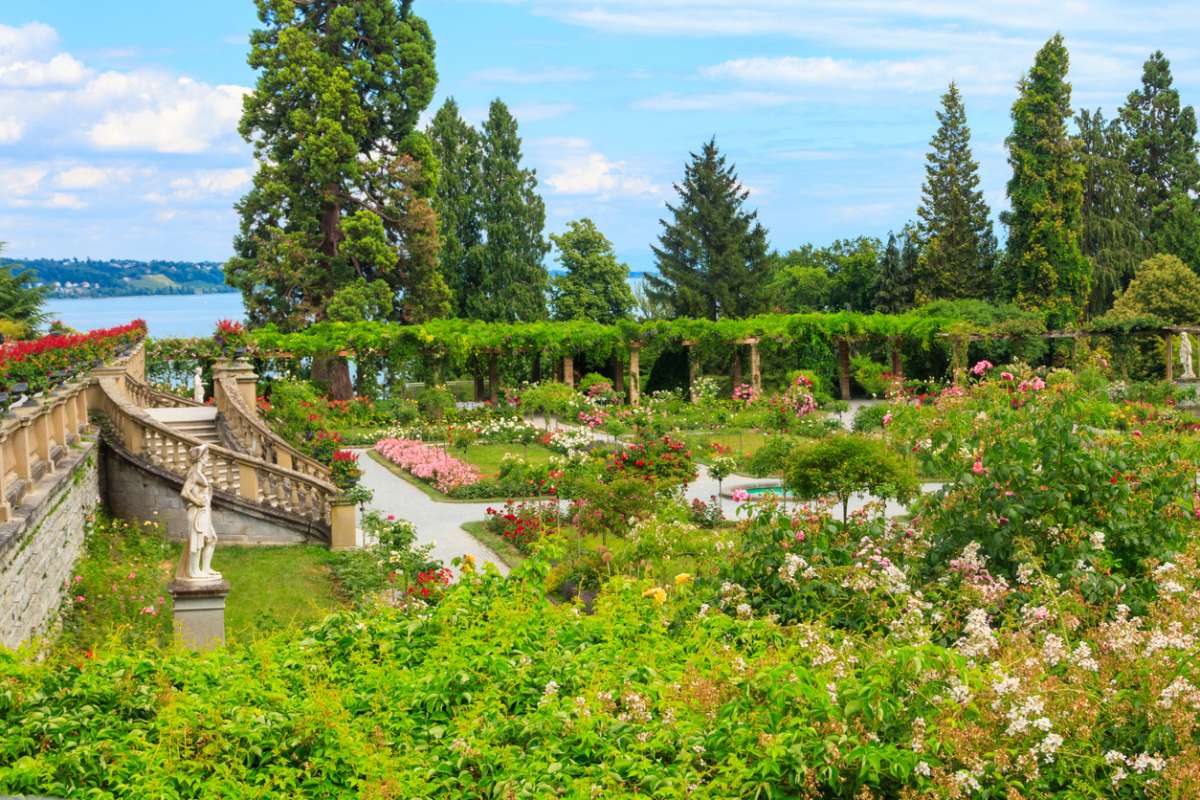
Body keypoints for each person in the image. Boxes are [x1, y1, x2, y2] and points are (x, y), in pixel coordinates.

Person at [177, 443, 221, 582]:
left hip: (204, 511)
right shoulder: (195, 473)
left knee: (212, 539)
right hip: (197, 511)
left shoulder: (199, 473)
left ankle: (206, 568)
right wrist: (197, 501)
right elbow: (184, 492)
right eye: (207, 455)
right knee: (197, 541)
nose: (208, 458)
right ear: (201, 458)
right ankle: (193, 571)